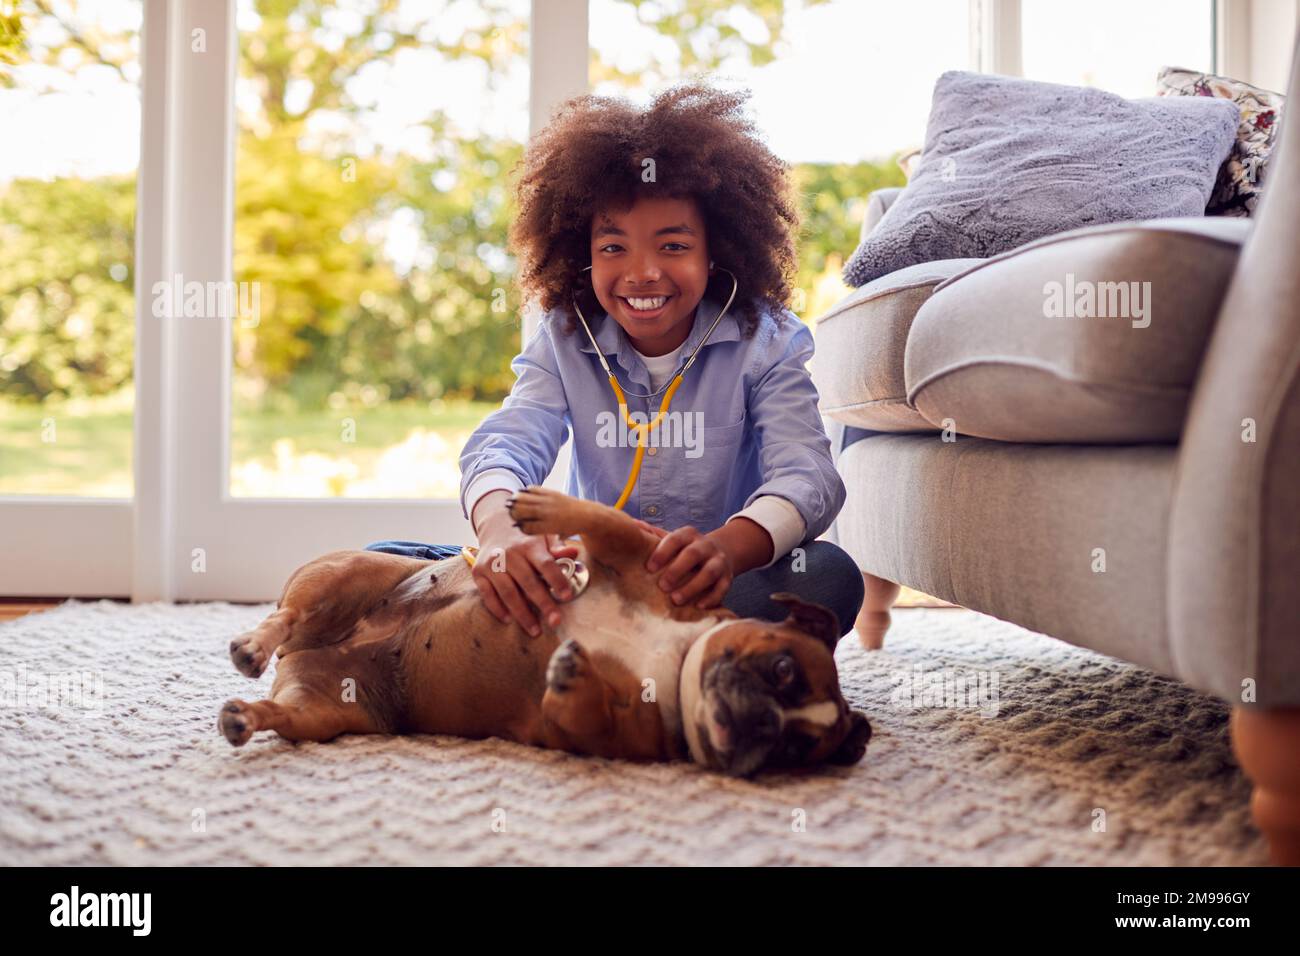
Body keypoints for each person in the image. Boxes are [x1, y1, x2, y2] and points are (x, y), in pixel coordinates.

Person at [365, 81, 863, 642]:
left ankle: (590, 649)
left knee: (826, 577)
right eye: (613, 247)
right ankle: (662, 650)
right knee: (384, 561)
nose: (642, 271)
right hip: (591, 577)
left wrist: (727, 548)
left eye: (673, 246)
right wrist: (503, 532)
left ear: (718, 250)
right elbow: (506, 443)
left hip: (715, 584)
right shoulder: (563, 337)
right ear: (581, 254)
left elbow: (807, 474)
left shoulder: (767, 340)